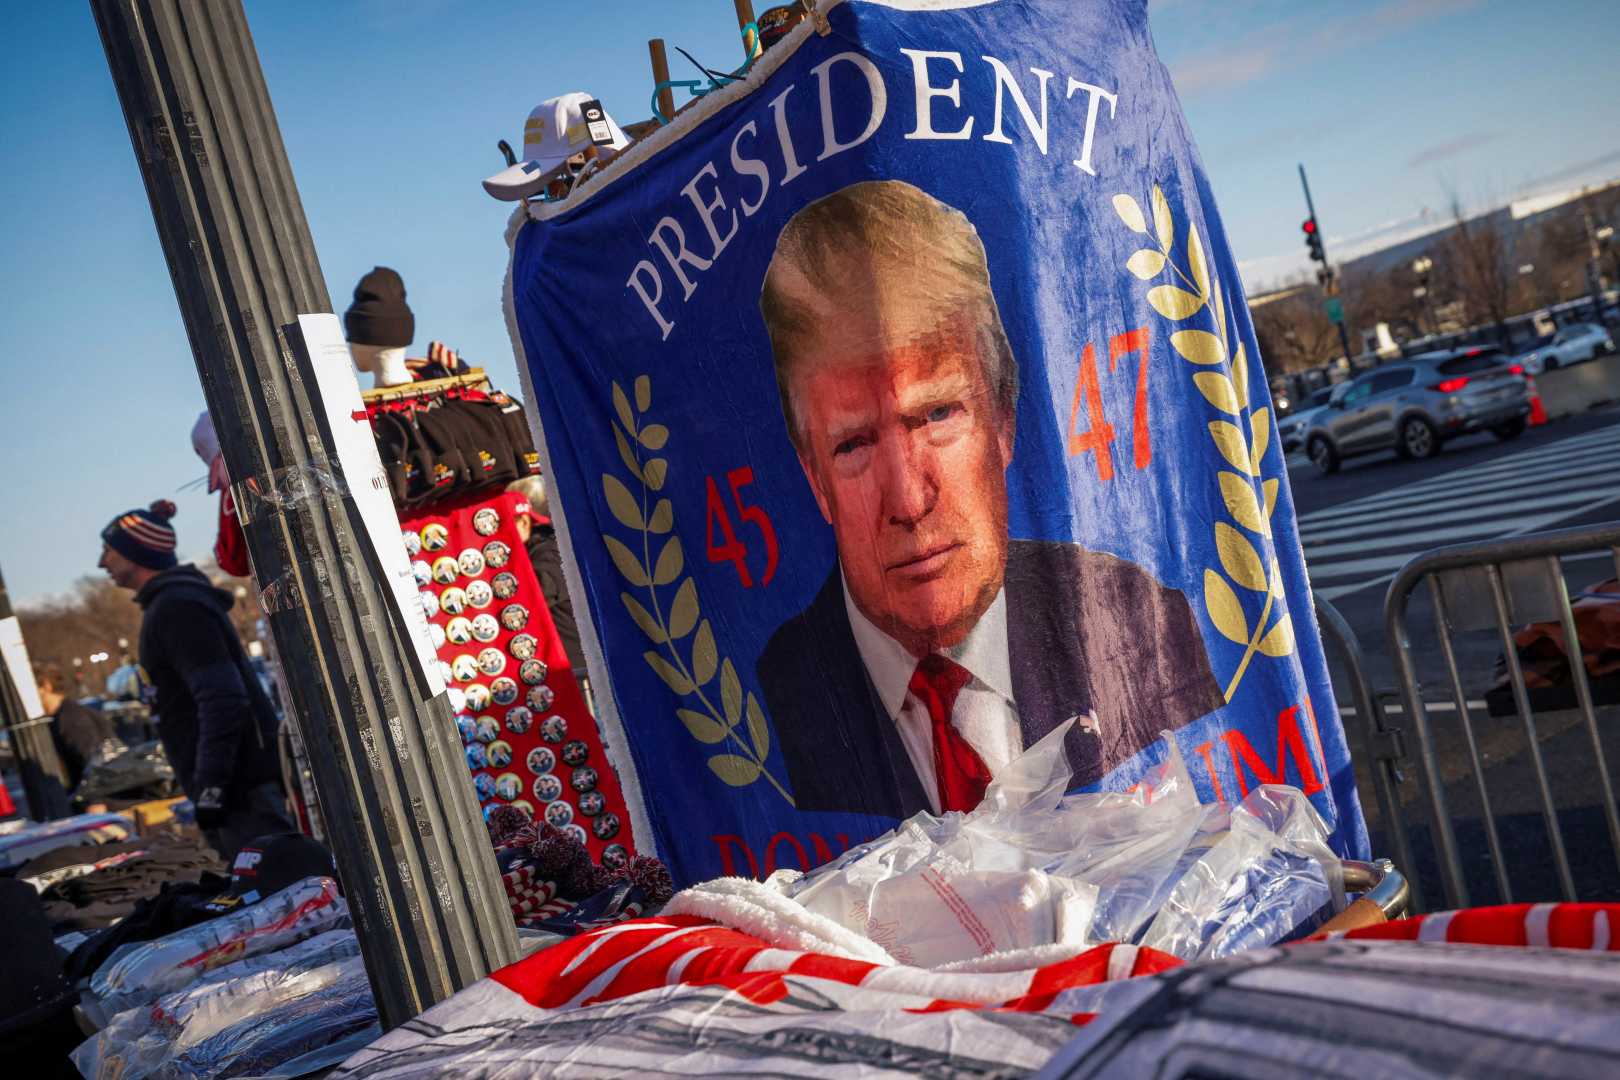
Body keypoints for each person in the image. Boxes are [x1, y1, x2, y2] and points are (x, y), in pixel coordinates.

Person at [755, 180, 1224, 820]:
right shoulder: (762, 704)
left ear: (1003, 423)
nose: (909, 500)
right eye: (854, 445)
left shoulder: (1139, 622)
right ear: (814, 478)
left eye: (938, 415)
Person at [98, 500, 291, 858]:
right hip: (238, 792)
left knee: (280, 892)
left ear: (137, 552)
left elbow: (223, 700)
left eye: (108, 550)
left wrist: (211, 787)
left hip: (240, 795)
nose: (101, 562)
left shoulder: (177, 608)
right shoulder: (172, 604)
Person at [507, 478, 586, 674]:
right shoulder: (545, 548)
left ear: (524, 521)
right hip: (566, 665)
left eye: (507, 523)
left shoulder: (550, 551)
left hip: (576, 669)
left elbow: (537, 593)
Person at [32, 662, 119, 792]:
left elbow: (96, 763)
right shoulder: (63, 715)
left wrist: (95, 801)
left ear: (46, 686)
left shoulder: (70, 718)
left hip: (104, 799)